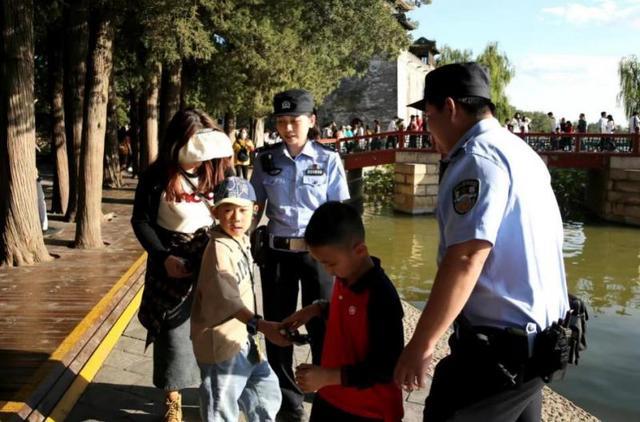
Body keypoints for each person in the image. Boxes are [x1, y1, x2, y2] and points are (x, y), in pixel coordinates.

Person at [397, 62, 569, 422]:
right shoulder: (520, 151)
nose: (428, 129)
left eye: (428, 116)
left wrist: (421, 343)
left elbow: (466, 258)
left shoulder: (476, 160)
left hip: (499, 358)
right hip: (542, 346)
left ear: (450, 108)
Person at [250, 88, 350, 421]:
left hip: (318, 257)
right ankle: (287, 402)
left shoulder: (328, 159)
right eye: (281, 121)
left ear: (311, 121)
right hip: (278, 256)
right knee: (278, 329)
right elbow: (255, 208)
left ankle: (323, 394)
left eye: (294, 120)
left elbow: (339, 212)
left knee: (323, 324)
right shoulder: (265, 161)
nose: (288, 127)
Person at [131, 109, 234, 422]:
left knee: (216, 332)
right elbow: (141, 221)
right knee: (173, 335)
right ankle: (172, 400)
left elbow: (237, 210)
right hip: (172, 262)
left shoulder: (219, 170)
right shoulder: (156, 175)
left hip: (212, 258)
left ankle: (214, 400)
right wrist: (163, 257)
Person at [283, 202, 404, 422]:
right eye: (321, 263)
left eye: (330, 263)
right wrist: (317, 309)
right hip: (331, 397)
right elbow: (351, 317)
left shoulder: (381, 296)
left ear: (360, 250)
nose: (327, 271)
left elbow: (386, 367)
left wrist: (327, 376)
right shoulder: (346, 276)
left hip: (368, 409)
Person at [191, 176, 287, 422]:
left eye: (243, 210)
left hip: (243, 339)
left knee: (266, 390)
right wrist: (262, 325)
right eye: (228, 210)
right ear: (215, 212)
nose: (236, 218)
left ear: (255, 210)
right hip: (220, 345)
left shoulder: (241, 238)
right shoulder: (218, 249)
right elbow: (229, 300)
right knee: (221, 409)